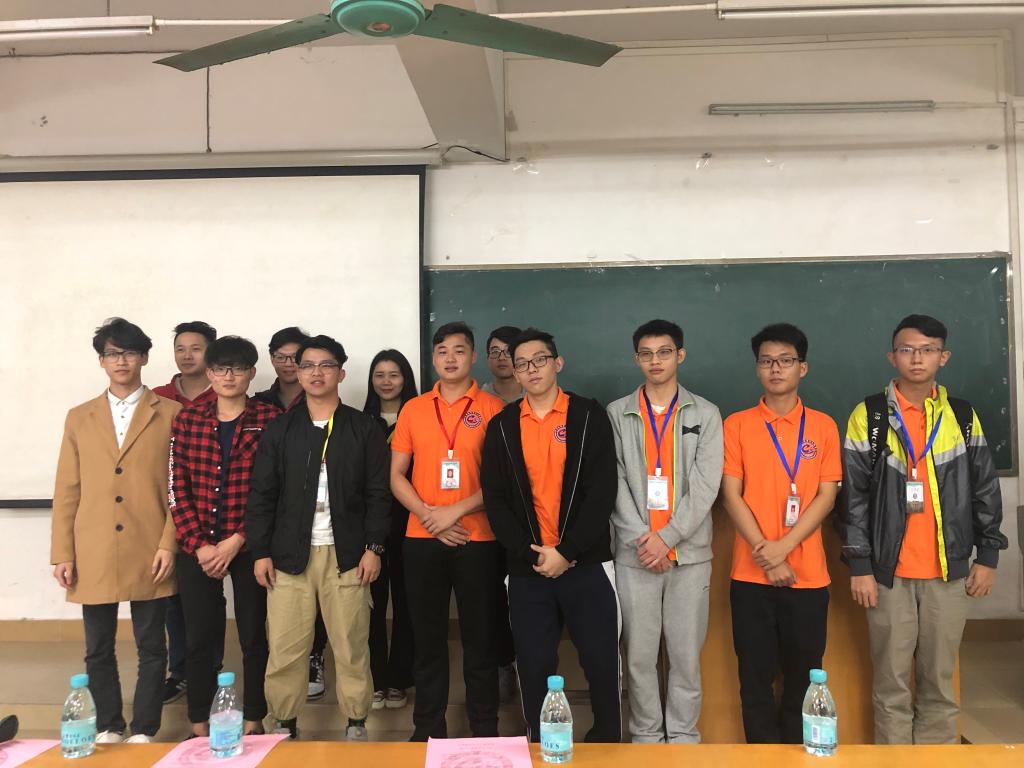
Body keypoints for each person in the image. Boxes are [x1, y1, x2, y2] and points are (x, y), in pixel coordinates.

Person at [841, 314, 1007, 744]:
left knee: (939, 685)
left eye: (927, 350)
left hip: (947, 573)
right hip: (887, 575)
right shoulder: (870, 416)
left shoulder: (962, 416)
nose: (917, 358)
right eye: (907, 349)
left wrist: (988, 556)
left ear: (943, 357)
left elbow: (985, 488)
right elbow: (854, 498)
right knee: (891, 687)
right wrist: (860, 565)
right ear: (891, 356)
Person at [481, 328, 621, 743]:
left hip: (587, 564)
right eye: (522, 364)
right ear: (515, 373)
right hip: (529, 569)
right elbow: (496, 500)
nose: (531, 369)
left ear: (557, 363)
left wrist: (567, 551)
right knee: (534, 665)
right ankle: (544, 745)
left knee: (600, 662)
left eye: (539, 360)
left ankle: (607, 743)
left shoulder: (589, 416)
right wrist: (534, 555)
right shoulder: (502, 426)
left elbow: (602, 492)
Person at [247, 334, 390, 741]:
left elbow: (378, 494)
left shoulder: (363, 428)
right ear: (297, 372)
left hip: (347, 555)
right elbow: (262, 494)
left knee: (351, 644)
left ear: (340, 373)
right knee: (286, 647)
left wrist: (374, 548)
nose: (316, 372)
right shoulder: (281, 429)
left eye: (326, 365)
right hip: (289, 556)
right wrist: (260, 551)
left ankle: (356, 720)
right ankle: (285, 722)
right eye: (307, 365)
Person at [51, 318, 179, 744]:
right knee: (98, 646)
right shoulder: (79, 417)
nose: (120, 361)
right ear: (101, 362)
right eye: (111, 354)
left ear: (144, 357)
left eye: (129, 353)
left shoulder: (172, 414)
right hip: (94, 545)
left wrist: (169, 543)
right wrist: (62, 552)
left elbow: (180, 487)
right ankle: (109, 724)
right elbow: (67, 488)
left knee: (152, 645)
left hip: (151, 543)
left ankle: (144, 728)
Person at [719, 323, 841, 744]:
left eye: (785, 360)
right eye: (767, 361)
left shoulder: (823, 426)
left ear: (802, 368)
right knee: (754, 680)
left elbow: (827, 496)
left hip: (808, 577)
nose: (775, 369)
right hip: (750, 576)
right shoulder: (736, 425)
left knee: (804, 679)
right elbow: (731, 495)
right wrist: (765, 554)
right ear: (757, 368)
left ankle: (797, 755)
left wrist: (784, 548)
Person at [607, 319, 723, 743]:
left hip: (688, 556)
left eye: (664, 352)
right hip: (635, 554)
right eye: (646, 354)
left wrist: (667, 538)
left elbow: (707, 485)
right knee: (638, 657)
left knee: (685, 657)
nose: (655, 361)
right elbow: (614, 481)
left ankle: (683, 737)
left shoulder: (706, 413)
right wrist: (644, 540)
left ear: (680, 355)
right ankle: (646, 736)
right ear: (636, 359)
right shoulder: (617, 413)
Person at [390, 321, 505, 741]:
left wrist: (453, 512)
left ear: (473, 357)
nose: (450, 358)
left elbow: (502, 481)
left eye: (459, 350)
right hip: (422, 540)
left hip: (479, 540)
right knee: (428, 641)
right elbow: (396, 475)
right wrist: (429, 516)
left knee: (480, 641)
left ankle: (484, 729)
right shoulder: (414, 408)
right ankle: (427, 729)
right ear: (433, 359)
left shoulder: (494, 408)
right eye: (442, 351)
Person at [169, 336, 281, 738]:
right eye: (220, 369)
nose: (228, 376)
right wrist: (199, 545)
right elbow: (175, 487)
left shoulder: (271, 419)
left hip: (250, 546)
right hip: (198, 547)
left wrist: (238, 540)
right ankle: (199, 723)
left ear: (252, 373)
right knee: (199, 638)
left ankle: (254, 720)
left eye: (237, 369)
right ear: (209, 373)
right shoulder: (188, 420)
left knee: (254, 636)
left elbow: (275, 490)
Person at [153, 320, 218, 704]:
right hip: (171, 510)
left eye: (196, 348)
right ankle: (180, 670)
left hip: (218, 509)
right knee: (173, 596)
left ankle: (213, 670)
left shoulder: (226, 392)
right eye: (181, 348)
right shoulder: (157, 398)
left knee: (212, 599)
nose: (187, 355)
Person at [363, 349, 420, 710]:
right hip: (370, 524)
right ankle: (376, 678)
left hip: (410, 522)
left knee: (406, 601)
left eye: (394, 374)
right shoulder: (359, 421)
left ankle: (400, 677)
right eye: (379, 374)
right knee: (370, 604)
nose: (386, 382)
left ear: (406, 379)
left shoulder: (420, 416)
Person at [479, 325, 523, 703]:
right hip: (488, 516)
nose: (501, 357)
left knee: (528, 596)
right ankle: (502, 662)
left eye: (509, 351)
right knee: (492, 597)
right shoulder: (478, 400)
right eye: (494, 351)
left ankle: (528, 662)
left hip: (533, 517)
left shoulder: (540, 392)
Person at [254, 326, 309, 411]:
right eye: (280, 357)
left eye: (295, 357)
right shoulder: (257, 404)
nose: (288, 364)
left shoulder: (319, 400)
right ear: (272, 360)